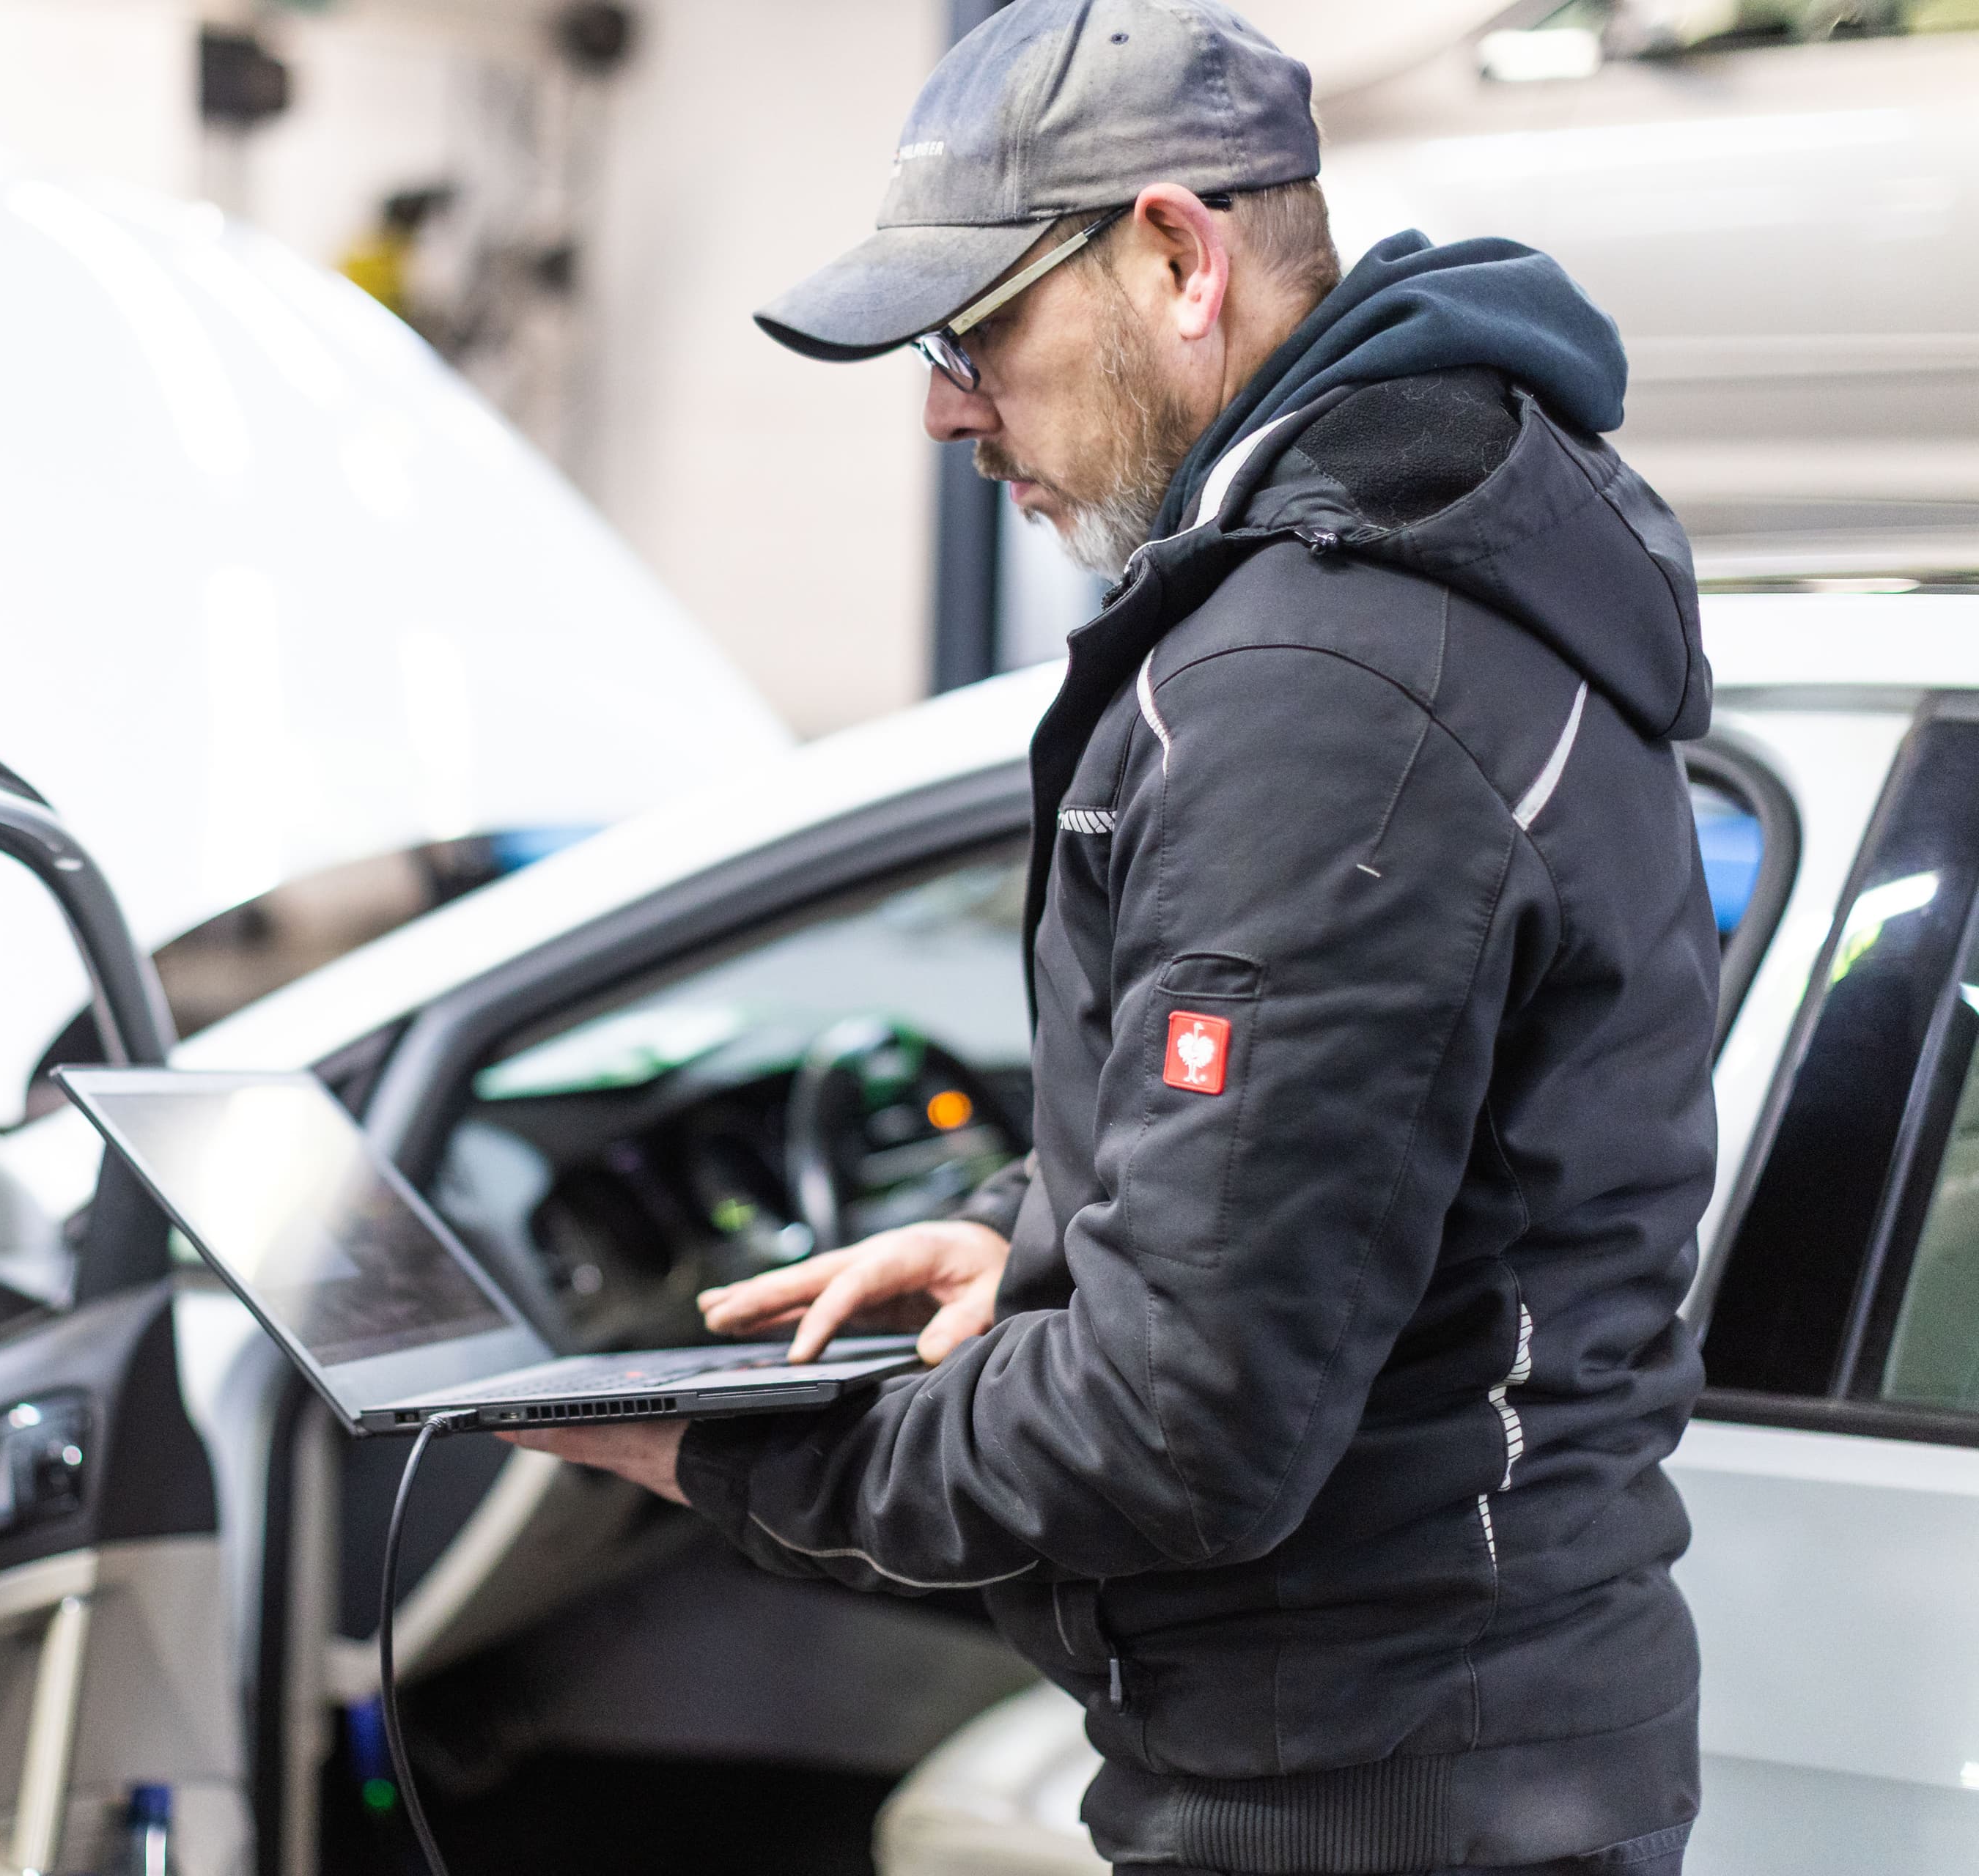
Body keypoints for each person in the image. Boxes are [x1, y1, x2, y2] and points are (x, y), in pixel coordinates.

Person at [503, 3, 1717, 1872]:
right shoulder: (1416, 588)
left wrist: (735, 1451)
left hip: (1378, 1790)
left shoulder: (1323, 686)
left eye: (973, 332)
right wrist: (1042, 1229)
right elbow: (1380, 1160)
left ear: (1175, 259)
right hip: (1446, 1745)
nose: (944, 408)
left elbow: (1180, 1426)